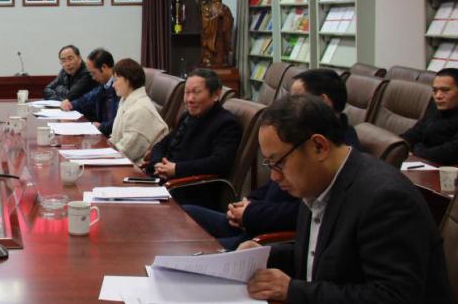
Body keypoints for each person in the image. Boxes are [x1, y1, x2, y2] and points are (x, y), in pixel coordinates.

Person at [225, 94, 458, 304]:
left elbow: (393, 301)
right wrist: (265, 255)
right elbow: (325, 255)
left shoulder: (384, 198)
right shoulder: (319, 183)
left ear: (318, 146)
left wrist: (293, 291)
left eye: (278, 163)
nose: (273, 177)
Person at [182, 68, 359, 250]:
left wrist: (251, 213)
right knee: (184, 216)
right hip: (254, 222)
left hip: (267, 233)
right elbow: (274, 185)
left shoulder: (333, 153)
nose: (289, 107)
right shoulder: (300, 140)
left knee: (193, 252)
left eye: (297, 100)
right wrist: (249, 203)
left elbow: (302, 212)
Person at [144, 68, 241, 208]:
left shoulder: (226, 123)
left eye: (196, 92)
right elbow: (162, 145)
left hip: (189, 192)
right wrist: (158, 164)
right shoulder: (187, 116)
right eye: (187, 92)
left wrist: (177, 169)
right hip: (163, 183)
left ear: (215, 95)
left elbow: (219, 162)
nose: (189, 99)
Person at [107, 58, 168, 163]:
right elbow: (116, 138)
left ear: (128, 80)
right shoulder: (125, 100)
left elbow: (126, 152)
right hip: (125, 161)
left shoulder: (140, 110)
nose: (113, 85)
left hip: (139, 168)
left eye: (116, 79)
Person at [401, 67, 458, 164]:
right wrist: (398, 147)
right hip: (422, 162)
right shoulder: (436, 108)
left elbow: (449, 152)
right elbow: (412, 134)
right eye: (435, 90)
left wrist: (416, 151)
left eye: (445, 90)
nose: (438, 96)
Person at [60, 48, 118, 135]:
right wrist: (71, 104)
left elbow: (118, 122)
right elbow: (87, 98)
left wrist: (101, 126)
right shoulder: (104, 86)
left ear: (104, 67)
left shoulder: (119, 88)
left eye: (93, 73)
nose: (93, 77)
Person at [200, 0, 233, 66]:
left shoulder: (225, 8)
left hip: (222, 33)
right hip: (211, 34)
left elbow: (230, 19)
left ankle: (223, 61)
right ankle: (208, 60)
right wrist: (217, 17)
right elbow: (205, 20)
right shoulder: (207, 8)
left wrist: (225, 18)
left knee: (222, 50)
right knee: (209, 49)